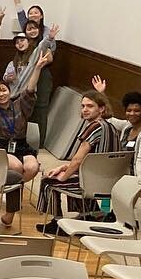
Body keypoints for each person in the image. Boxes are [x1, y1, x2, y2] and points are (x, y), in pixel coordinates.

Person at [0, 50, 51, 228]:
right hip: (2, 148)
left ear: (9, 90)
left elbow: (30, 89)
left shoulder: (20, 104)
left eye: (4, 90)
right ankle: (9, 213)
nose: (2, 94)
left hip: (22, 146)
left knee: (31, 167)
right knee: (17, 170)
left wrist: (37, 68)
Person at [36, 86, 116, 233]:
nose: (85, 109)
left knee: (48, 181)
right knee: (73, 173)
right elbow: (89, 161)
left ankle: (57, 222)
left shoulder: (93, 128)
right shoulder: (112, 128)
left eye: (90, 106)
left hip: (91, 182)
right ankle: (91, 215)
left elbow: (78, 160)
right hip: (108, 181)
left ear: (101, 109)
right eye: (83, 106)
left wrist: (63, 176)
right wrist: (64, 167)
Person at [103, 79, 141, 181]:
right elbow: (108, 119)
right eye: (129, 110)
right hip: (121, 174)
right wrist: (101, 94)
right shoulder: (127, 126)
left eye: (136, 111)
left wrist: (138, 182)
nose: (132, 114)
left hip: (135, 179)